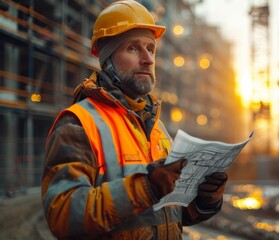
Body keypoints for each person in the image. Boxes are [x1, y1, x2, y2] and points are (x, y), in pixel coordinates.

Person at [41, 1, 228, 239]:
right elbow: (64, 216)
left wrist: (205, 198)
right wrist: (146, 188)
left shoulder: (155, 128)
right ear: (107, 60)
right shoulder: (78, 123)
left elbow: (170, 214)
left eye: (150, 48)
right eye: (133, 48)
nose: (148, 59)